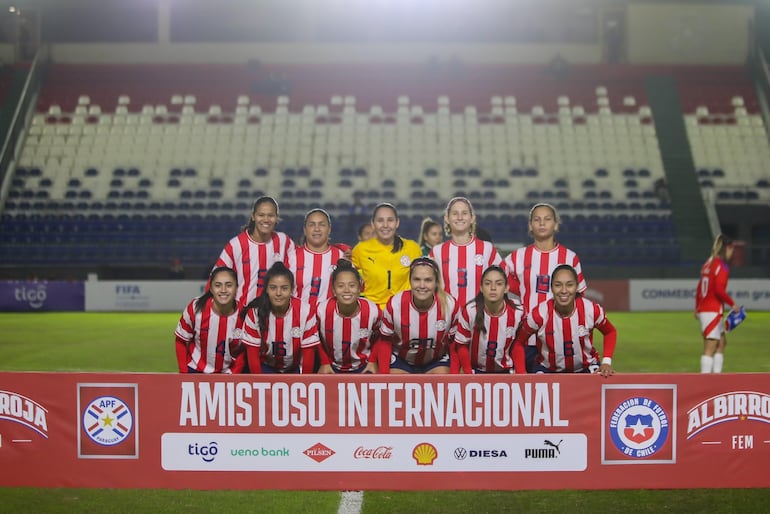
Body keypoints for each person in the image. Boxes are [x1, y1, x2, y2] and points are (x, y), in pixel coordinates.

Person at [502, 202, 587, 372]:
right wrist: (522, 290)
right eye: (537, 219)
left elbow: (579, 298)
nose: (542, 223)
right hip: (525, 340)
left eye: (547, 219)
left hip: (559, 340)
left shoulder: (569, 257)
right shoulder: (519, 256)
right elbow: (498, 280)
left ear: (555, 225)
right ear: (530, 226)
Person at [512, 264, 616, 377]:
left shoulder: (591, 310)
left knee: (602, 383)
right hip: (548, 370)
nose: (564, 290)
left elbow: (610, 332)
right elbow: (518, 342)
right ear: (551, 288)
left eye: (569, 285)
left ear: (577, 287)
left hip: (586, 368)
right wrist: (521, 374)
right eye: (558, 285)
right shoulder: (539, 315)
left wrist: (606, 362)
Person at [235, 262, 319, 374]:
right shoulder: (255, 312)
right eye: (273, 288)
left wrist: (303, 384)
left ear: (292, 290)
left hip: (294, 369)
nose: (278, 293)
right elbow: (252, 355)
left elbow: (308, 356)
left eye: (284, 288)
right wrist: (260, 384)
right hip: (265, 368)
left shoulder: (305, 311)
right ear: (267, 290)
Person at [379, 257, 458, 374]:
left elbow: (454, 343)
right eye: (416, 279)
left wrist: (455, 376)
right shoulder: (395, 304)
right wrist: (384, 376)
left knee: (442, 382)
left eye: (428, 280)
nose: (422, 285)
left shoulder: (450, 305)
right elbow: (385, 341)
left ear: (436, 282)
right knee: (395, 385)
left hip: (435, 361)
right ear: (410, 281)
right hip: (402, 360)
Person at [216, 196, 295, 307]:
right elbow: (216, 278)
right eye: (261, 215)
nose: (266, 220)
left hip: (273, 314)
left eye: (271, 216)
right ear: (253, 216)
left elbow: (297, 274)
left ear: (276, 218)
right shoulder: (236, 244)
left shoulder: (284, 242)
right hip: (242, 313)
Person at [316, 259, 383, 374]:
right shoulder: (322, 310)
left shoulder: (373, 311)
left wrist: (372, 360)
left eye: (352, 285)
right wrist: (325, 362)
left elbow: (382, 337)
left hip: (363, 366)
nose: (346, 290)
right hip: (332, 367)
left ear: (359, 289)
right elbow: (315, 338)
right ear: (333, 290)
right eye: (341, 286)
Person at [454, 265, 524, 374]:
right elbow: (461, 345)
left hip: (505, 372)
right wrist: (468, 374)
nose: (493, 288)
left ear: (506, 288)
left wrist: (521, 374)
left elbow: (517, 345)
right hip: (476, 372)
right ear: (481, 288)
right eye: (487, 283)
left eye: (499, 283)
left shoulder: (518, 312)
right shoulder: (470, 311)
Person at [351, 202, 422, 309]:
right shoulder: (360, 250)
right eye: (380, 220)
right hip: (372, 313)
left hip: (404, 312)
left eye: (390, 220)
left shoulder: (413, 248)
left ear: (397, 223)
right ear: (373, 224)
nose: (385, 225)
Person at [174, 266, 244, 374]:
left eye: (229, 285)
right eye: (218, 285)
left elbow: (244, 351)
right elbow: (181, 341)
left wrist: (233, 374)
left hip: (229, 374)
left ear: (236, 288)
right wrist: (184, 374)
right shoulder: (196, 308)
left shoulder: (244, 315)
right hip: (196, 370)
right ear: (211, 288)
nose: (223, 290)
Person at [695, 234, 742, 373]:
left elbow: (699, 287)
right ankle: (706, 383)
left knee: (721, 343)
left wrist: (697, 307)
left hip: (707, 309)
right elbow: (719, 290)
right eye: (732, 249)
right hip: (712, 310)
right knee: (710, 347)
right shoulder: (721, 266)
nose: (732, 253)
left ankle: (717, 377)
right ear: (728, 248)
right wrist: (733, 304)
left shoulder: (708, 263)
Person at [290, 208, 350, 308]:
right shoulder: (291, 257)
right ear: (305, 229)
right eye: (312, 224)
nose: (317, 229)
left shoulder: (342, 257)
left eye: (322, 224)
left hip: (331, 320)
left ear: (329, 229)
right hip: (298, 321)